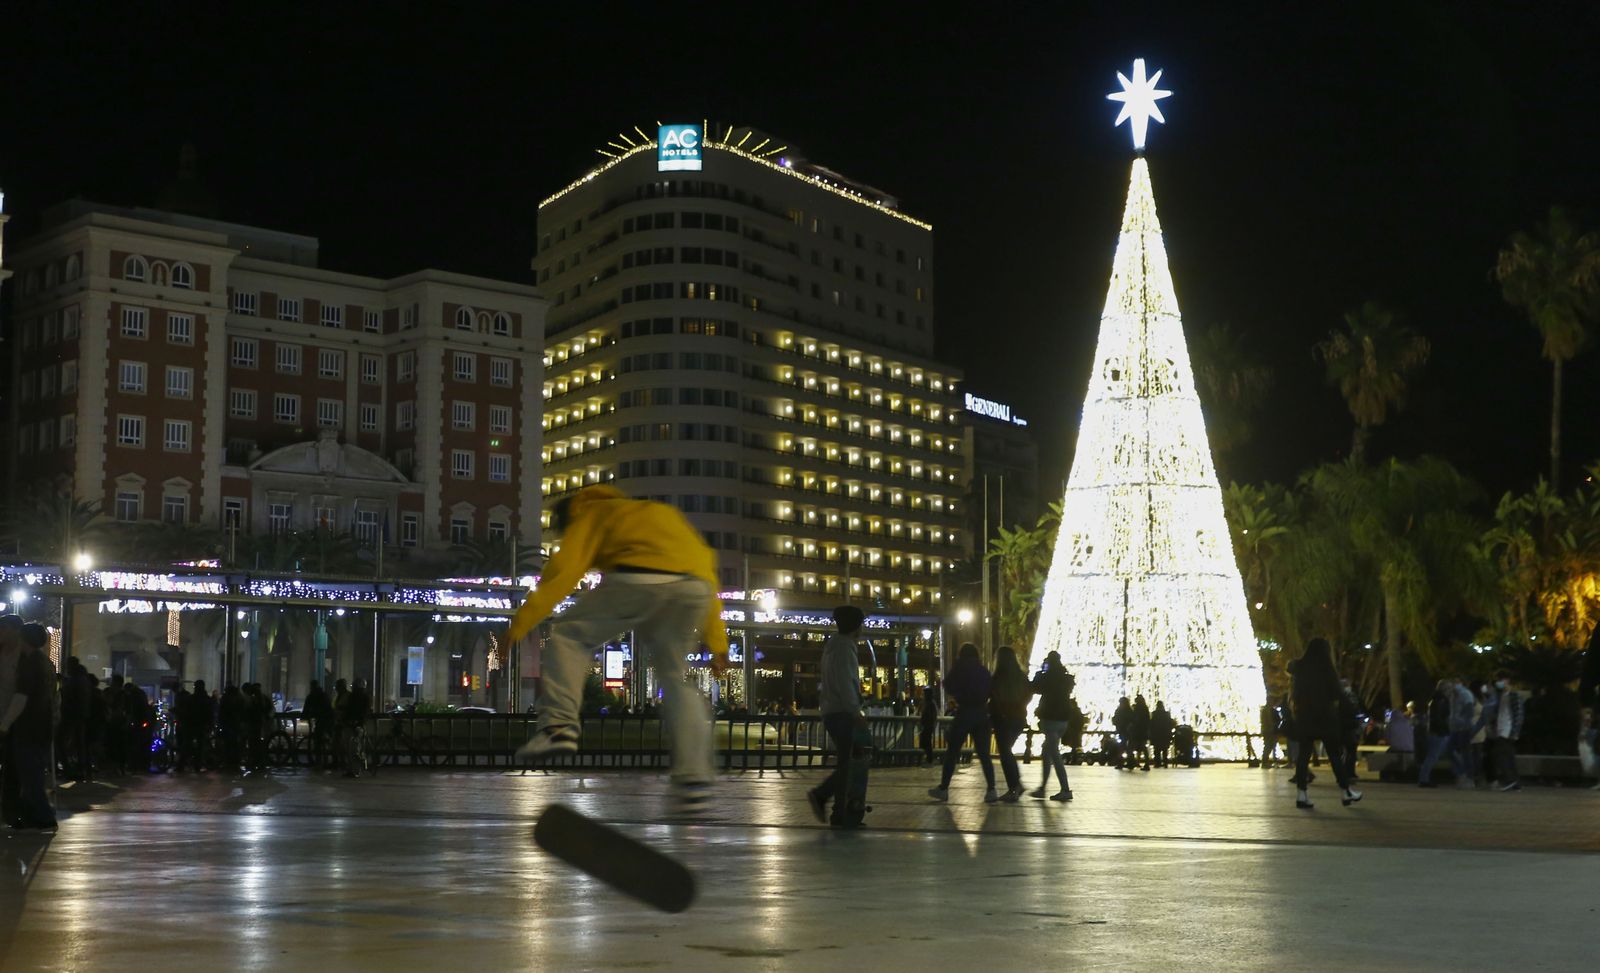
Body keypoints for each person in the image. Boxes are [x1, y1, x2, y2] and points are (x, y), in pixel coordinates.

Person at [506, 486, 726, 811]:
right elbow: (708, 571)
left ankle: (558, 727)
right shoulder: (659, 512)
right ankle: (694, 780)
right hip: (695, 588)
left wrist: (522, 622)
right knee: (676, 678)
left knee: (569, 635)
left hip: (636, 578)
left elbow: (564, 571)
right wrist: (718, 642)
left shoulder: (590, 513)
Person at [806, 606, 866, 825]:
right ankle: (825, 797)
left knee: (847, 762)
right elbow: (846, 681)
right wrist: (854, 711)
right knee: (849, 764)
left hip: (831, 710)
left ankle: (839, 811)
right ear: (856, 625)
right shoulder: (844, 647)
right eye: (862, 623)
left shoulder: (833, 646)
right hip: (842, 712)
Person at [1289, 639, 1363, 809]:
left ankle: (1301, 794)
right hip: (1325, 719)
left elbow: (1294, 692)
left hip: (1305, 718)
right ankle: (1345, 791)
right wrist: (1350, 712)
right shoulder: (1326, 669)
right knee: (1334, 756)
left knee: (1303, 756)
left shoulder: (1299, 669)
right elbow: (1337, 694)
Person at [1, 620, 58, 831]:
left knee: (29, 774)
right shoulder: (43, 662)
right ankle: (32, 814)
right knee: (31, 773)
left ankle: (42, 816)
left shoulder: (30, 663)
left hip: (29, 725)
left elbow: (21, 696)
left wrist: (5, 724)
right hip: (39, 725)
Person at [928, 643, 997, 803]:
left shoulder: (960, 667)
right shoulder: (983, 671)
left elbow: (948, 685)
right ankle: (991, 789)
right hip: (981, 713)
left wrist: (959, 694)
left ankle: (944, 788)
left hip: (965, 711)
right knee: (984, 754)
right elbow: (991, 689)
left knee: (952, 751)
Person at [1029, 650, 1073, 800]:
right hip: (1063, 719)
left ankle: (1065, 789)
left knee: (1053, 753)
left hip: (1050, 718)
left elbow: (1034, 688)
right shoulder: (1066, 678)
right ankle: (1042, 787)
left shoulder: (1047, 677)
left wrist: (1041, 671)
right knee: (1047, 751)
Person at [988, 646, 1029, 802]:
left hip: (1002, 718)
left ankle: (1014, 786)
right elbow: (1028, 693)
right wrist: (1020, 705)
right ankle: (1016, 784)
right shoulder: (1021, 676)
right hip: (1018, 718)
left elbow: (991, 696)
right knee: (1006, 751)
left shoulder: (997, 678)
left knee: (1005, 752)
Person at [1479, 670, 1524, 792]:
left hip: (1507, 730)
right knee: (1507, 756)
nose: (1498, 682)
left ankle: (1510, 780)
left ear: (1507, 680)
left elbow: (1518, 714)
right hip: (1500, 730)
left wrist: (1515, 732)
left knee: (1500, 755)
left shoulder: (1513, 695)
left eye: (1500, 679)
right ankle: (1514, 783)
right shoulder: (1501, 695)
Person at [341, 677, 373, 777]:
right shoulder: (365, 697)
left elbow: (350, 711)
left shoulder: (353, 697)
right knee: (355, 748)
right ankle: (354, 769)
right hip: (357, 724)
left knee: (352, 749)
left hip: (353, 724)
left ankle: (354, 770)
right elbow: (365, 712)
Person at [181, 679, 210, 772]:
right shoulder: (206, 699)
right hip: (202, 725)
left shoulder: (191, 698)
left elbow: (186, 712)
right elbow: (209, 713)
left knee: (187, 745)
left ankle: (181, 764)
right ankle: (198, 765)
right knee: (200, 746)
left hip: (191, 725)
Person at [302, 680, 332, 769]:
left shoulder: (311, 696)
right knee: (324, 741)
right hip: (326, 720)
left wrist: (305, 715)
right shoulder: (324, 695)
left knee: (318, 742)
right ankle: (326, 761)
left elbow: (306, 708)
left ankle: (318, 762)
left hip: (320, 720)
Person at [918, 683, 940, 765]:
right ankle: (927, 757)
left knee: (926, 742)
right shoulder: (929, 703)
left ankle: (928, 758)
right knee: (926, 742)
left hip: (928, 726)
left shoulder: (930, 703)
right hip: (928, 725)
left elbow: (929, 715)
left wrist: (925, 722)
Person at [1129, 694, 1152, 772]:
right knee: (1143, 747)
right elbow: (1148, 720)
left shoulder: (1137, 708)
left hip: (1137, 731)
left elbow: (1134, 719)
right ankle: (1145, 763)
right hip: (1143, 731)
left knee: (1133, 746)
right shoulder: (1145, 708)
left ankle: (1132, 762)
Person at [1150, 701, 1175, 769]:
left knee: (1157, 750)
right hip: (1165, 734)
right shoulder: (1166, 714)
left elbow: (1151, 724)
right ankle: (1165, 762)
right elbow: (1171, 723)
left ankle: (1157, 763)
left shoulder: (1154, 714)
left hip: (1156, 734)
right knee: (1164, 749)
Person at [1111, 697, 1134, 769]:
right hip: (1125, 731)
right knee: (1125, 747)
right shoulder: (1129, 711)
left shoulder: (1121, 710)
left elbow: (1116, 719)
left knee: (1122, 747)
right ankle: (1129, 762)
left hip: (1124, 730)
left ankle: (1122, 762)